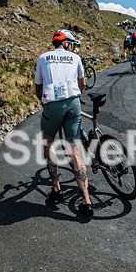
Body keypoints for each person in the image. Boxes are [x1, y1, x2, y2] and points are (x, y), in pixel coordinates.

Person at [34, 29, 93, 218]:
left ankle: (57, 189)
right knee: (75, 151)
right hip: (73, 104)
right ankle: (86, 201)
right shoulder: (75, 58)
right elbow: (82, 83)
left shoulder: (43, 58)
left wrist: (43, 102)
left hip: (52, 106)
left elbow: (38, 86)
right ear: (66, 43)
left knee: (48, 146)